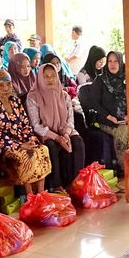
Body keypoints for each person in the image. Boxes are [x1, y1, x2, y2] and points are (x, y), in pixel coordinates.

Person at [0, 70, 51, 196]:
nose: (6, 88)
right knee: (26, 155)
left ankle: (41, 193)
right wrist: (20, 146)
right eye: (1, 85)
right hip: (3, 146)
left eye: (8, 84)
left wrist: (30, 139)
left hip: (23, 141)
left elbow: (25, 124)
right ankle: (30, 195)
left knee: (42, 149)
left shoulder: (15, 101)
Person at [27, 63, 87, 191]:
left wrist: (66, 134)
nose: (50, 79)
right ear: (40, 78)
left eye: (53, 76)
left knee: (78, 142)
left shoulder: (64, 95)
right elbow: (36, 125)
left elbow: (70, 118)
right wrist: (57, 138)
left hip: (63, 129)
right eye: (46, 76)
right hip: (45, 133)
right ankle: (56, 185)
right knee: (51, 146)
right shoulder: (33, 97)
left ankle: (77, 182)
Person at [94, 50, 129, 172]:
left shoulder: (128, 78)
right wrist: (109, 116)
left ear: (121, 63)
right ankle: (125, 170)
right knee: (123, 132)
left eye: (115, 61)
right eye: (109, 61)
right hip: (107, 121)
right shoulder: (100, 80)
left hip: (126, 119)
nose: (112, 64)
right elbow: (94, 103)